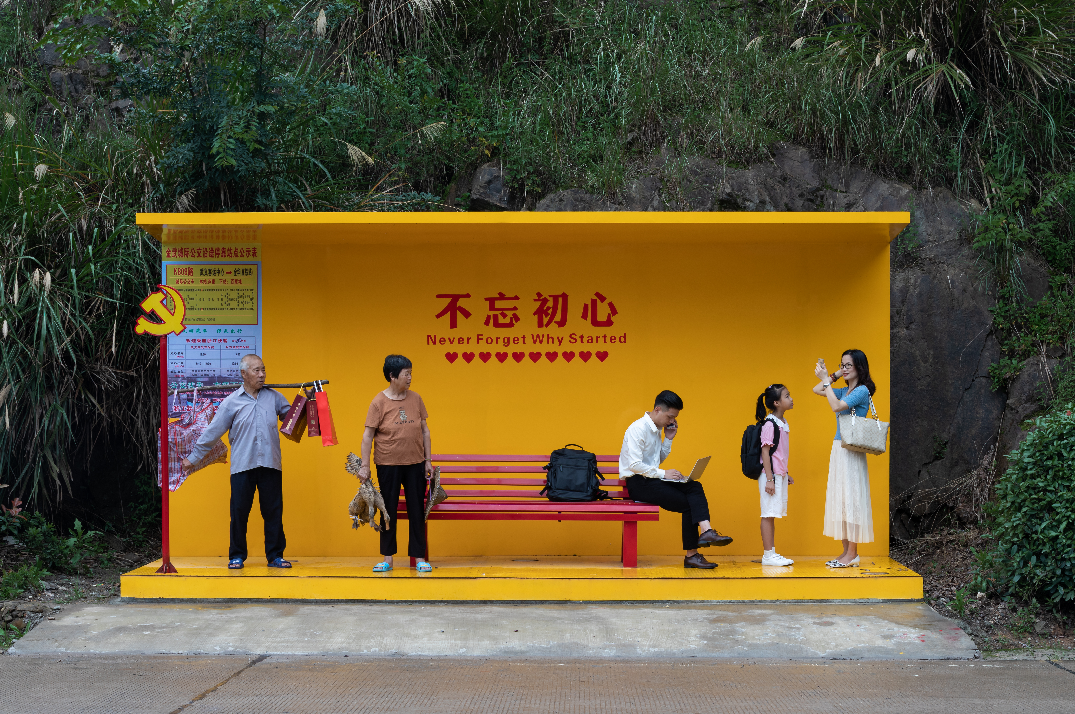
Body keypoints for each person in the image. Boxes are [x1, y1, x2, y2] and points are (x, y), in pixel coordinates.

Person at [184, 354, 293, 570]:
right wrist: (193, 458)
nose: (262, 375)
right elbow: (213, 432)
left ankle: (275, 556)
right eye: (256, 370)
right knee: (239, 512)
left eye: (263, 370)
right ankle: (236, 556)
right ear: (244, 374)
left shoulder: (275, 397)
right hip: (243, 465)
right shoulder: (231, 402)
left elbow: (293, 420)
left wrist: (308, 402)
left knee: (273, 511)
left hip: (270, 463)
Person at [619, 390, 732, 569]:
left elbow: (656, 460)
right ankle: (692, 555)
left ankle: (707, 531)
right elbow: (634, 465)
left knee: (694, 486)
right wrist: (664, 474)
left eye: (674, 418)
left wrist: (668, 439)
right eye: (670, 416)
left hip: (651, 480)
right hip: (638, 484)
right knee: (689, 504)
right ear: (658, 410)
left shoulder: (656, 430)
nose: (671, 421)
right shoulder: (638, 429)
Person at [357, 355, 433, 573]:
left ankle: (419, 558)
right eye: (406, 374)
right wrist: (364, 466)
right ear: (392, 376)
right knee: (387, 510)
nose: (410, 378)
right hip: (387, 464)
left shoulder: (416, 398)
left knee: (416, 510)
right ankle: (388, 558)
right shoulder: (378, 402)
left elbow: (425, 431)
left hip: (415, 463)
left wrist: (428, 461)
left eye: (410, 373)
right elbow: (367, 436)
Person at [813, 349, 877, 567]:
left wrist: (827, 381)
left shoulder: (861, 390)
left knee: (852, 500)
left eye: (849, 365)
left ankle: (852, 554)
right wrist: (834, 375)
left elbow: (836, 406)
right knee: (841, 499)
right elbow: (816, 389)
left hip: (851, 449)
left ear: (860, 366)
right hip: (839, 448)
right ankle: (846, 553)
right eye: (842, 364)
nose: (845, 368)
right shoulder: (844, 390)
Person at [757, 384, 795, 567]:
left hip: (778, 475)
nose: (791, 399)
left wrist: (785, 473)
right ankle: (767, 555)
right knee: (768, 513)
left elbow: (779, 453)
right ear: (777, 403)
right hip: (769, 476)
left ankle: (771, 553)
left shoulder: (782, 423)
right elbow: (765, 452)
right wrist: (770, 479)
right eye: (787, 396)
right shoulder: (770, 424)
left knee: (772, 514)